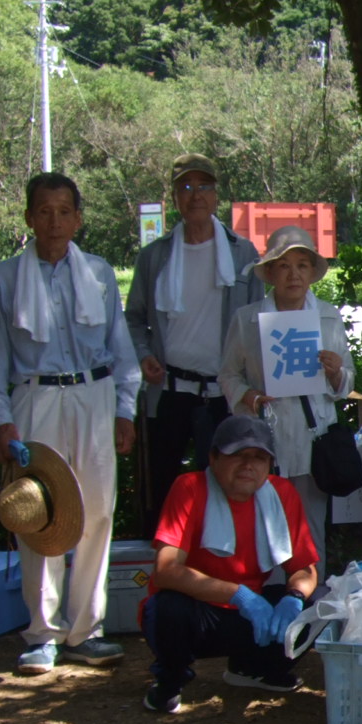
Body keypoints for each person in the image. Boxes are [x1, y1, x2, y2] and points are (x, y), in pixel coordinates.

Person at [0, 172, 142, 675]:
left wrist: (124, 409)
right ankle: (42, 633)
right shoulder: (3, 279)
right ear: (29, 218)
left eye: (65, 211)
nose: (55, 222)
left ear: (78, 218)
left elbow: (121, 350)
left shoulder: (97, 273)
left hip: (93, 397)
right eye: (44, 212)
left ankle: (85, 631)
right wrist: (1, 421)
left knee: (95, 513)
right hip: (36, 398)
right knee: (39, 513)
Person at [142, 415, 318, 713]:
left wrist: (295, 597)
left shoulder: (281, 493)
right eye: (238, 455)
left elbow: (305, 569)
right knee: (166, 606)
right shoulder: (189, 487)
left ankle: (257, 669)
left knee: (323, 601)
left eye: (259, 457)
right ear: (213, 457)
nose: (248, 465)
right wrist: (238, 594)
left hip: (252, 617)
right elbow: (166, 570)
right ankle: (170, 681)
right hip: (199, 613)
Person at [126, 154, 265, 532]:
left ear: (216, 194)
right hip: (168, 391)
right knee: (162, 490)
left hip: (223, 393)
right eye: (186, 187)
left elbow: (260, 320)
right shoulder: (155, 257)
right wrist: (143, 355)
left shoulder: (243, 254)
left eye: (204, 186)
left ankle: (222, 574)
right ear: (174, 197)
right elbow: (134, 319)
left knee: (226, 490)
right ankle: (165, 576)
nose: (196, 195)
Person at [219, 226, 354, 574]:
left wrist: (336, 371)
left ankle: (310, 605)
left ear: (312, 271)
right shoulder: (247, 319)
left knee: (309, 526)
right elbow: (228, 374)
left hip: (314, 435)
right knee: (262, 523)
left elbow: (346, 381)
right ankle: (266, 605)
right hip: (265, 437)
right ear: (270, 272)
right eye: (283, 265)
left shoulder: (327, 316)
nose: (293, 274)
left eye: (302, 265)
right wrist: (247, 395)